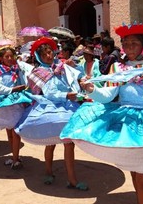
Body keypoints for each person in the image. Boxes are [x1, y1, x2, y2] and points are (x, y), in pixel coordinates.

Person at [60, 23, 143, 204]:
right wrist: (92, 90)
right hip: (127, 124)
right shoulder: (118, 69)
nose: (129, 48)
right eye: (126, 43)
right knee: (135, 172)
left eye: (134, 43)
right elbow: (108, 96)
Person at [15, 37, 88, 190]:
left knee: (69, 143)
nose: (49, 56)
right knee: (50, 143)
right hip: (49, 109)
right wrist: (65, 95)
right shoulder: (37, 72)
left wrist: (72, 66)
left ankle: (72, 179)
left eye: (50, 52)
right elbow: (48, 93)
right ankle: (48, 171)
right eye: (44, 54)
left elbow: (78, 75)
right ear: (38, 58)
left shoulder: (60, 66)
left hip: (67, 107)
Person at [0, 47, 27, 169]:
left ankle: (16, 158)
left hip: (17, 102)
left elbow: (24, 82)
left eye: (12, 56)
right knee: (9, 132)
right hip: (6, 103)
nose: (10, 59)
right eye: (7, 57)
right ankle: (14, 156)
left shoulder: (18, 69)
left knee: (15, 131)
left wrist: (21, 85)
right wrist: (14, 89)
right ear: (1, 58)